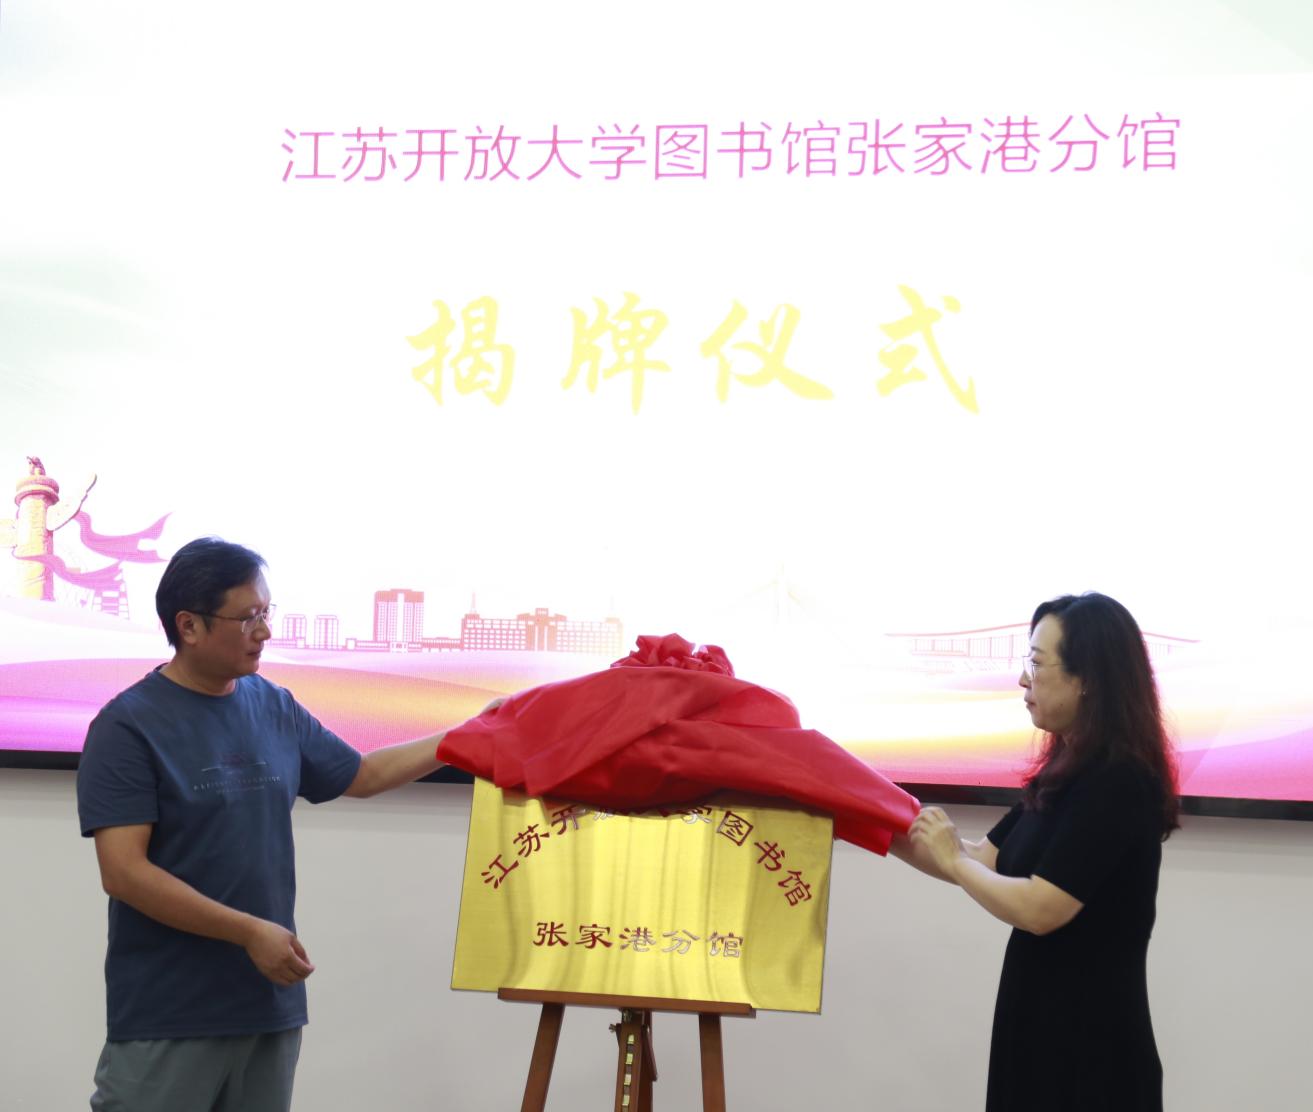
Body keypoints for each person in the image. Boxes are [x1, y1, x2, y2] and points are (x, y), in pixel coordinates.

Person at [76, 537, 487, 1112]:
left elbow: (362, 774)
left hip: (267, 1002)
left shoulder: (272, 704)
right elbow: (124, 872)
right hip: (170, 1011)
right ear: (188, 626)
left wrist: (468, 736)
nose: (265, 631)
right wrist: (249, 932)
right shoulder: (128, 726)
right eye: (248, 618)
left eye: (267, 612)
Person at [895, 592, 1178, 1111]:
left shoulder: (1119, 781)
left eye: (1036, 663)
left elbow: (1041, 908)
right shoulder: (1064, 771)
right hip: (1038, 1036)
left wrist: (953, 858)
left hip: (1092, 1057)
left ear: (1086, 678)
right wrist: (873, 826)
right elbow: (984, 859)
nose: (1023, 680)